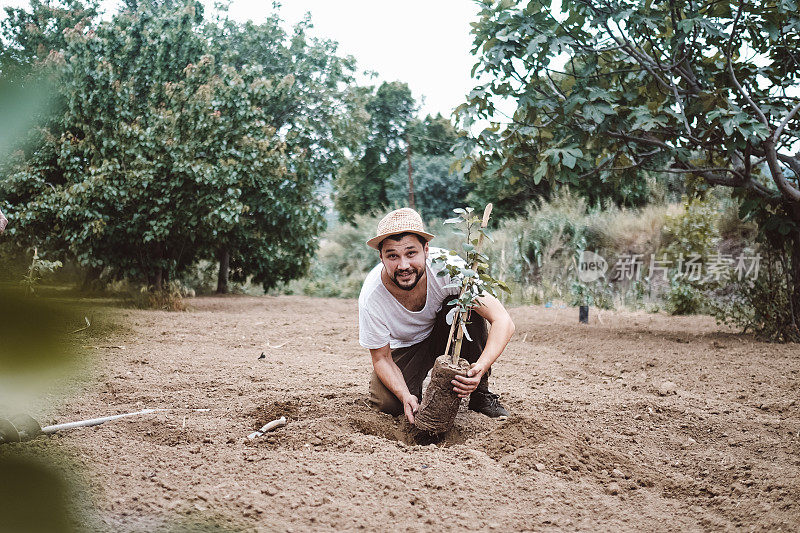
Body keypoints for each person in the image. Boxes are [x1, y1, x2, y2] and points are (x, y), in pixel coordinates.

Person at [359, 207, 515, 425]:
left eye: (411, 253)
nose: (403, 265)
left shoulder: (450, 267)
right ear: (381, 257)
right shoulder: (371, 296)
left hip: (446, 331)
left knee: (468, 306)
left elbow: (503, 321)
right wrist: (405, 396)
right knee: (387, 404)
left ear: (426, 249)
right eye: (392, 256)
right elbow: (381, 358)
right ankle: (414, 395)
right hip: (408, 346)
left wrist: (480, 367)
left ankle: (480, 394)